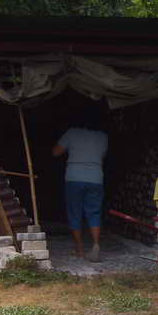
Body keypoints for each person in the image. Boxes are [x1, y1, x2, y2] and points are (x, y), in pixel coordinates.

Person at [52, 104, 108, 262]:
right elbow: (102, 156)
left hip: (74, 178)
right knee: (94, 212)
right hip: (96, 179)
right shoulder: (103, 136)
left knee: (74, 213)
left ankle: (80, 249)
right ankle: (96, 244)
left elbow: (55, 152)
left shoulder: (72, 132)